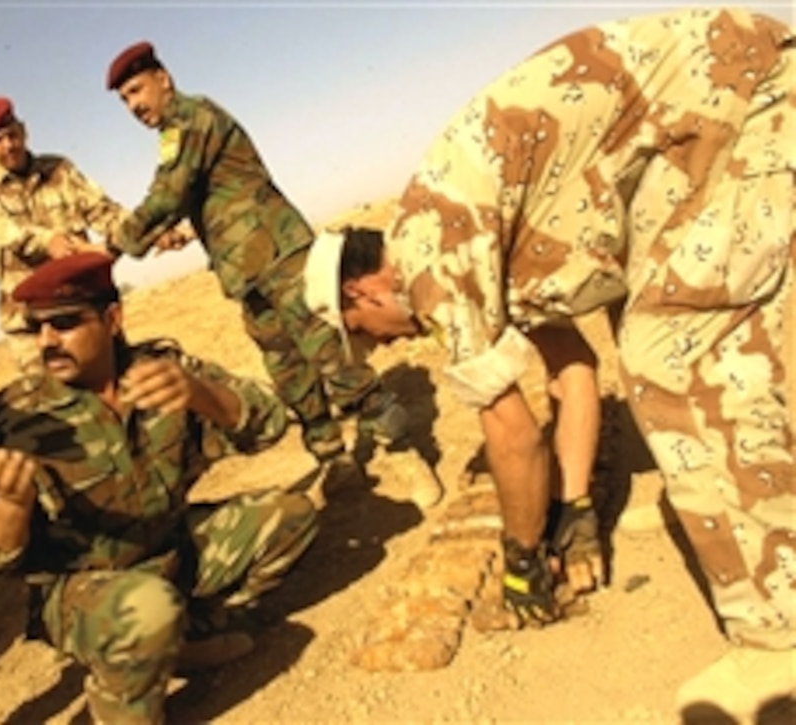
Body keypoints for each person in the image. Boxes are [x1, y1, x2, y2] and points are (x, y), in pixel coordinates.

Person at [306, 7, 794, 718]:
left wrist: (524, 557)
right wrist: (575, 508)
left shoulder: (432, 260)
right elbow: (571, 364)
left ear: (364, 290)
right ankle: (741, 507)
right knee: (667, 334)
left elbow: (514, 432)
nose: (387, 345)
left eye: (366, 332)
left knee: (668, 356)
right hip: (722, 98)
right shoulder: (468, 239)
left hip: (737, 95)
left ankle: (778, 635)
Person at [0, 251, 319, 723]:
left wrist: (199, 393)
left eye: (65, 322)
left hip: (170, 550)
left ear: (112, 318)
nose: (47, 341)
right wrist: (11, 505)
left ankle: (186, 637)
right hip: (79, 589)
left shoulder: (161, 369)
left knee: (290, 517)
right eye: (35, 327)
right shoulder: (17, 417)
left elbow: (268, 425)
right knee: (149, 610)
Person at [104, 41, 409, 470]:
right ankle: (330, 456)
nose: (133, 105)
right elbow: (214, 193)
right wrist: (186, 231)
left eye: (136, 90)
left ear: (163, 79)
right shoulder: (176, 133)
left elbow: (168, 193)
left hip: (279, 252)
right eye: (124, 100)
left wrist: (113, 245)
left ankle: (399, 441)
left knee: (322, 343)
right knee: (285, 365)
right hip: (245, 269)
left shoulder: (191, 117)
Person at [0, 96, 126, 375]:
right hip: (31, 323)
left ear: (24, 131)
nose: (9, 145)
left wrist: (141, 231)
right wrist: (49, 241)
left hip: (84, 307)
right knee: (53, 406)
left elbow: (103, 211)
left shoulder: (59, 169)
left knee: (118, 383)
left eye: (13, 135)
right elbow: (3, 231)